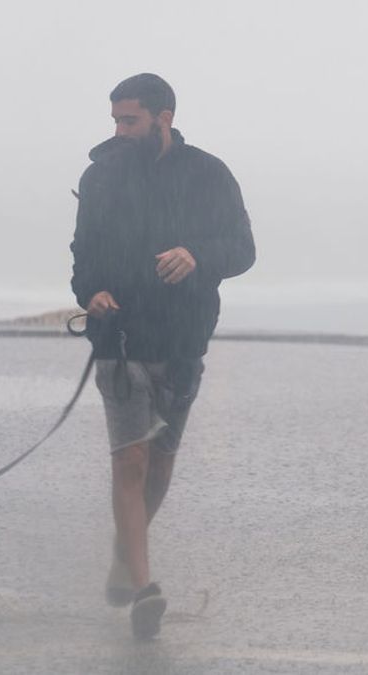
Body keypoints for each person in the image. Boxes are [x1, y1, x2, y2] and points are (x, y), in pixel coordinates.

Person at [69, 73, 255, 639]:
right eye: (116, 121)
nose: (120, 131)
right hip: (119, 340)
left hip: (182, 343)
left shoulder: (208, 174)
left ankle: (127, 551)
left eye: (130, 120)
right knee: (130, 460)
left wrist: (197, 255)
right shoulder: (100, 179)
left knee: (162, 462)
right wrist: (90, 293)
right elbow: (83, 257)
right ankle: (145, 589)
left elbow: (244, 250)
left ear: (164, 117)